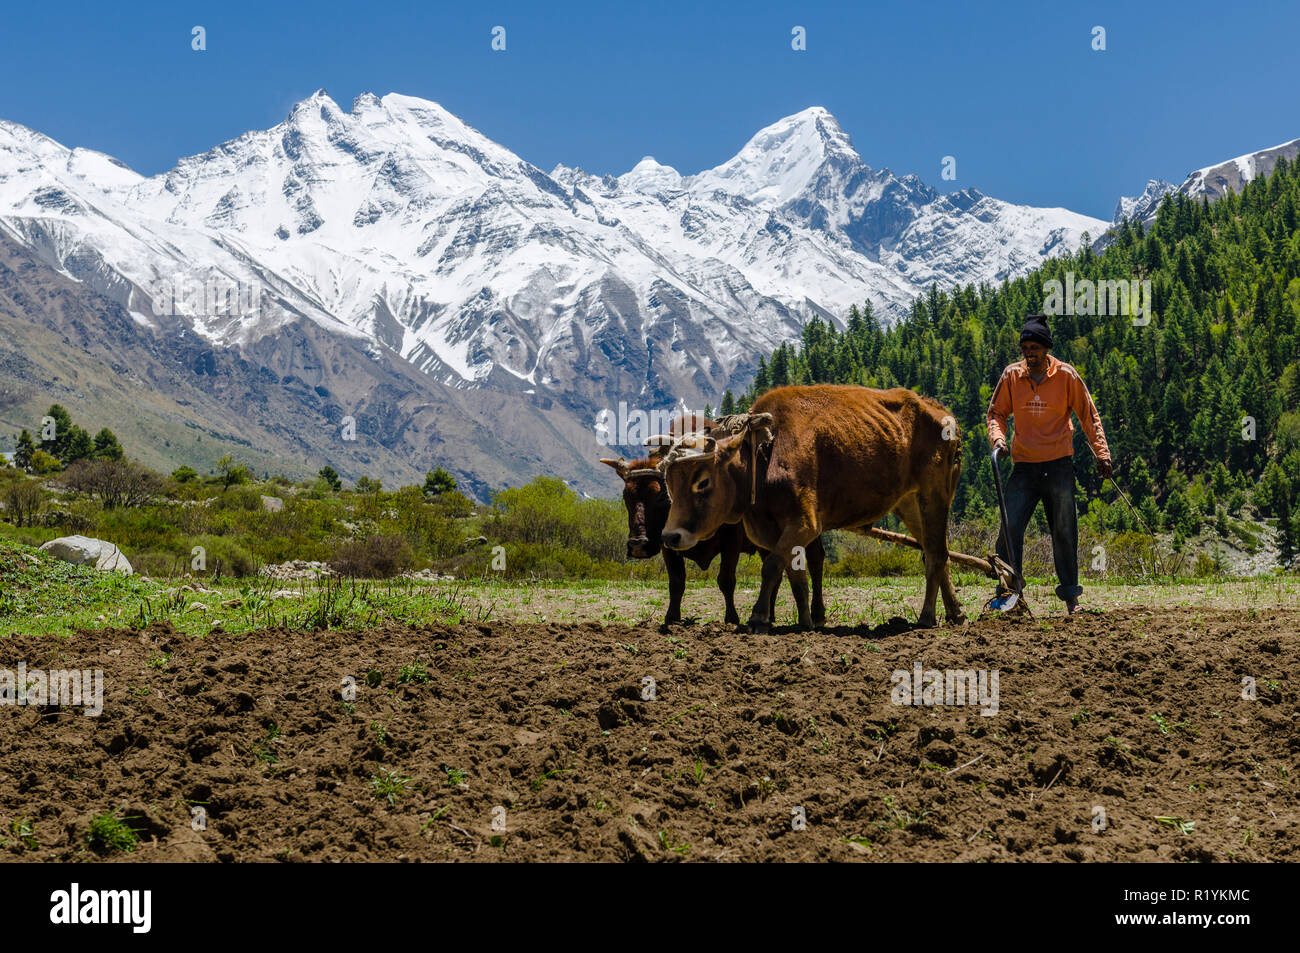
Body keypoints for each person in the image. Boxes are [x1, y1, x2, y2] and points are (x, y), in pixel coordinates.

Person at [986, 313, 1113, 614]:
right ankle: (1008, 595)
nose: (1029, 353)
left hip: (1058, 464)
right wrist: (998, 440)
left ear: (1046, 349)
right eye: (1025, 348)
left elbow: (1088, 416)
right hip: (1025, 466)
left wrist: (1102, 453)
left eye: (1034, 348)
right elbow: (996, 414)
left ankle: (1071, 598)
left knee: (1064, 529)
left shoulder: (1066, 376)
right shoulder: (1011, 376)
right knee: (1009, 528)